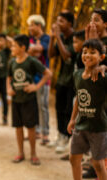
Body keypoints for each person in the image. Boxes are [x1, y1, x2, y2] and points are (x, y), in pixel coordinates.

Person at [67, 39, 107, 180]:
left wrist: (104, 68)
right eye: (85, 51)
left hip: (98, 127)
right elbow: (78, 98)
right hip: (81, 124)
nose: (87, 55)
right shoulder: (77, 75)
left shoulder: (103, 76)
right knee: (73, 158)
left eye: (92, 52)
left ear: (102, 57)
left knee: (98, 164)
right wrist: (72, 119)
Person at [7, 35, 52, 165]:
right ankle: (21, 153)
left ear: (23, 47)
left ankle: (33, 154)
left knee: (31, 127)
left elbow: (48, 74)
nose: (12, 48)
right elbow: (8, 77)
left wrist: (36, 87)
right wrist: (9, 89)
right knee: (18, 127)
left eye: (14, 46)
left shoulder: (31, 61)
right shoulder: (12, 62)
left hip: (29, 100)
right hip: (16, 100)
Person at [47, 12, 75, 153]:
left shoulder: (75, 38)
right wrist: (53, 38)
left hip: (73, 81)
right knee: (58, 108)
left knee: (68, 110)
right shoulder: (61, 37)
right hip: (62, 79)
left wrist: (58, 37)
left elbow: (66, 57)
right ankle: (60, 135)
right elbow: (51, 55)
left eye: (61, 21)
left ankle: (67, 138)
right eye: (57, 21)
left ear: (70, 23)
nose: (58, 24)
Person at [27, 15, 51, 145]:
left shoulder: (46, 38)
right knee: (33, 106)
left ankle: (45, 133)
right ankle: (35, 131)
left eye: (32, 25)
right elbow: (29, 51)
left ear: (39, 25)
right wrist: (33, 50)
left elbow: (38, 50)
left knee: (43, 106)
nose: (30, 28)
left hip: (43, 77)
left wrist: (33, 49)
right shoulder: (30, 38)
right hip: (31, 78)